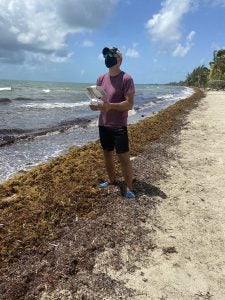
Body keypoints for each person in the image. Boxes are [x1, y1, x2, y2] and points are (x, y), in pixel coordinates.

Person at [89, 47, 135, 199]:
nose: (107, 57)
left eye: (110, 54)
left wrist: (110, 106)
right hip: (103, 124)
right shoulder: (100, 79)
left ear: (119, 58)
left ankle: (129, 187)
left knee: (123, 157)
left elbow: (129, 104)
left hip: (119, 125)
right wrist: (95, 106)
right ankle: (112, 180)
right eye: (105, 55)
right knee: (107, 154)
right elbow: (100, 102)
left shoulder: (126, 79)